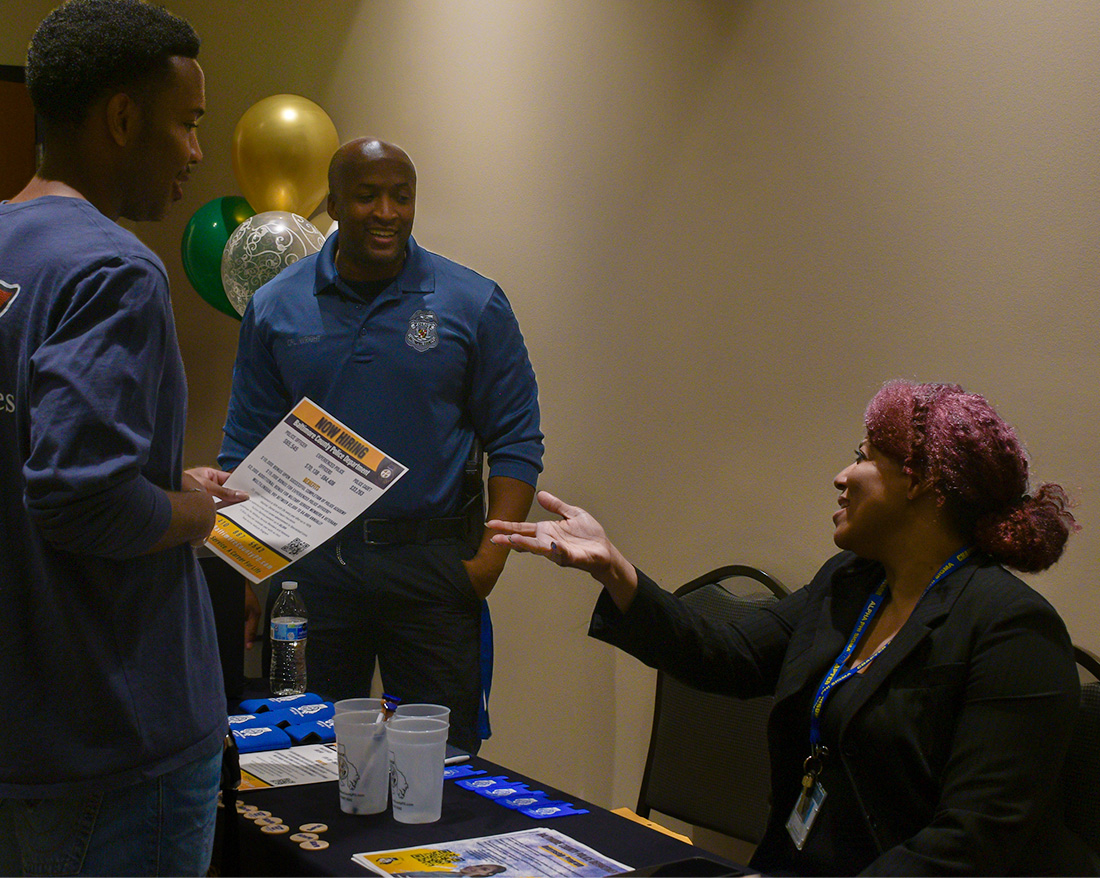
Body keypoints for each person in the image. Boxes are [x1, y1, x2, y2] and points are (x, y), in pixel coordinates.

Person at [489, 380, 1099, 876]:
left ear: (921, 481)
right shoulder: (852, 584)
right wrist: (614, 568)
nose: (840, 475)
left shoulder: (1013, 631)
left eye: (863, 457)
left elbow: (970, 844)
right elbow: (723, 654)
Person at [0, 1, 245, 874]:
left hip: (21, 716)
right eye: (187, 124)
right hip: (115, 733)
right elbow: (80, 498)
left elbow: (23, 457)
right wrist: (196, 513)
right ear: (122, 117)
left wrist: (158, 474)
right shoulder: (113, 267)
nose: (194, 153)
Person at [220, 138, 543, 753]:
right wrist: (240, 571)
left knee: (443, 762)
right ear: (335, 205)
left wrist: (487, 562)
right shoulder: (275, 306)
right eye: (367, 196)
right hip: (312, 571)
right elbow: (245, 446)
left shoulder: (472, 303)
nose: (386, 212)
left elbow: (517, 440)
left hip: (432, 569)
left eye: (401, 196)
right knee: (303, 755)